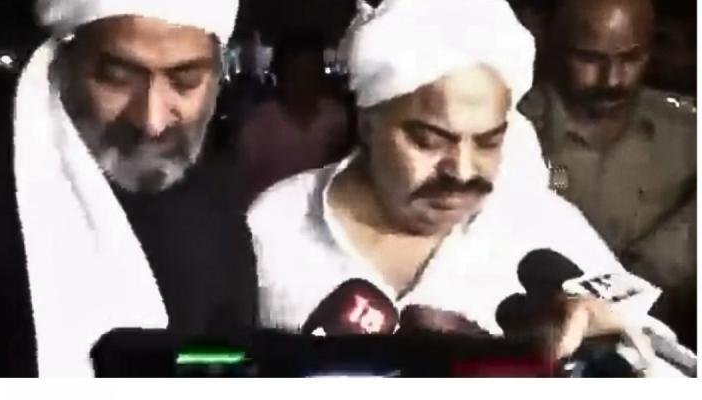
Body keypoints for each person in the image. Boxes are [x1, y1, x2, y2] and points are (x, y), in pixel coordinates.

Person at [247, 0, 692, 376]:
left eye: (488, 142)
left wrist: (612, 354)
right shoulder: (272, 229)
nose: (461, 171)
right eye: (428, 140)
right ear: (368, 123)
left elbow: (669, 364)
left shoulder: (542, 226)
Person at [0, 0, 255, 377]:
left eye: (185, 82)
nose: (152, 120)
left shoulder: (218, 210)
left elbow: (224, 362)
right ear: (67, 64)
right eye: (118, 78)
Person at [518, 0, 696, 349]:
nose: (612, 79)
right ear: (549, 40)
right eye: (589, 58)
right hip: (552, 342)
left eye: (631, 58)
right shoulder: (511, 134)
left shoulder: (687, 133)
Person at [237, 32, 351, 207]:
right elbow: (246, 185)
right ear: (281, 74)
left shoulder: (337, 116)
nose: (305, 82)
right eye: (298, 73)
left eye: (312, 73)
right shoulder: (259, 124)